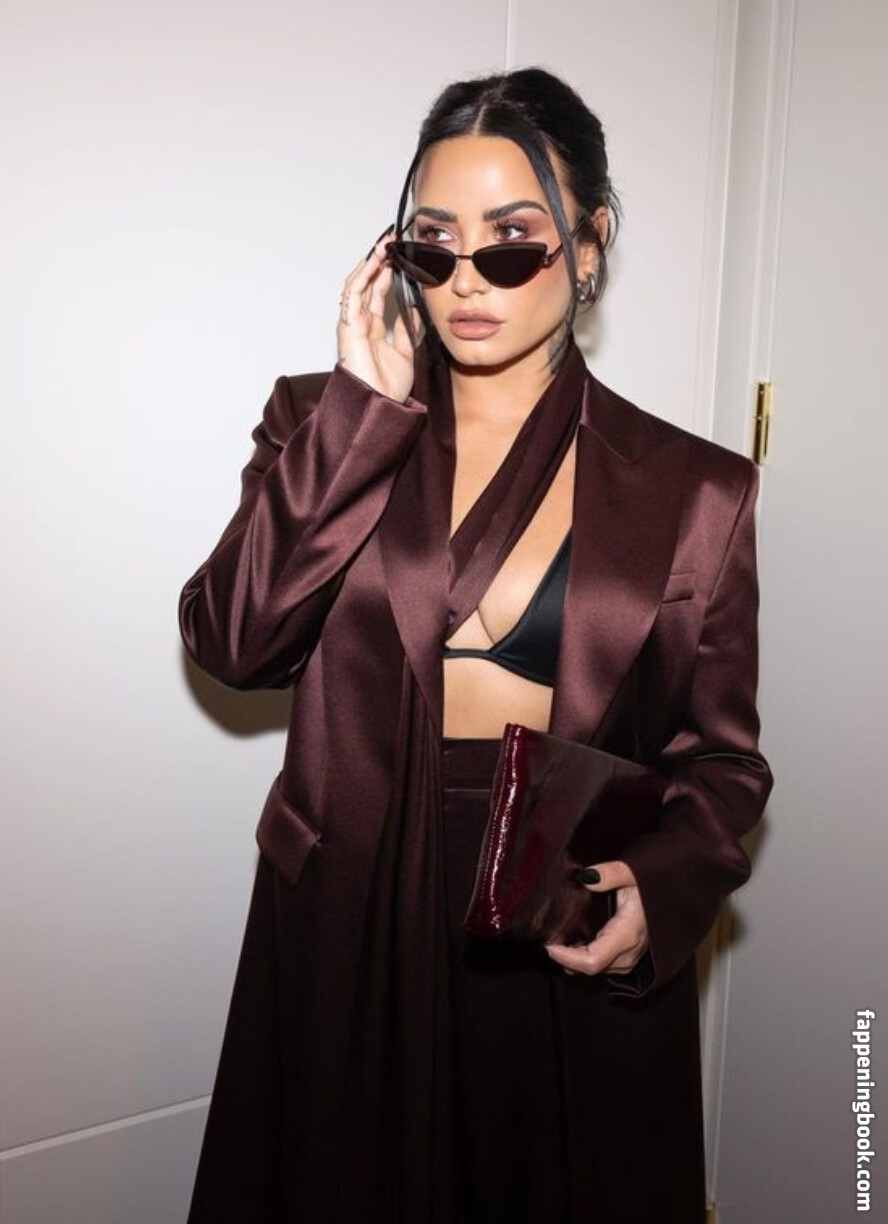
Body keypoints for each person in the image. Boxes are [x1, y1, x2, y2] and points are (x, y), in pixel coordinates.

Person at [178, 67, 773, 1224]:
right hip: (352, 915)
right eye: (432, 244)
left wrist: (659, 885)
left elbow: (721, 762)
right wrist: (363, 418)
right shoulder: (320, 420)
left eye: (511, 244)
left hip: (551, 920)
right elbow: (234, 643)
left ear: (588, 245)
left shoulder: (696, 490)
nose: (464, 281)